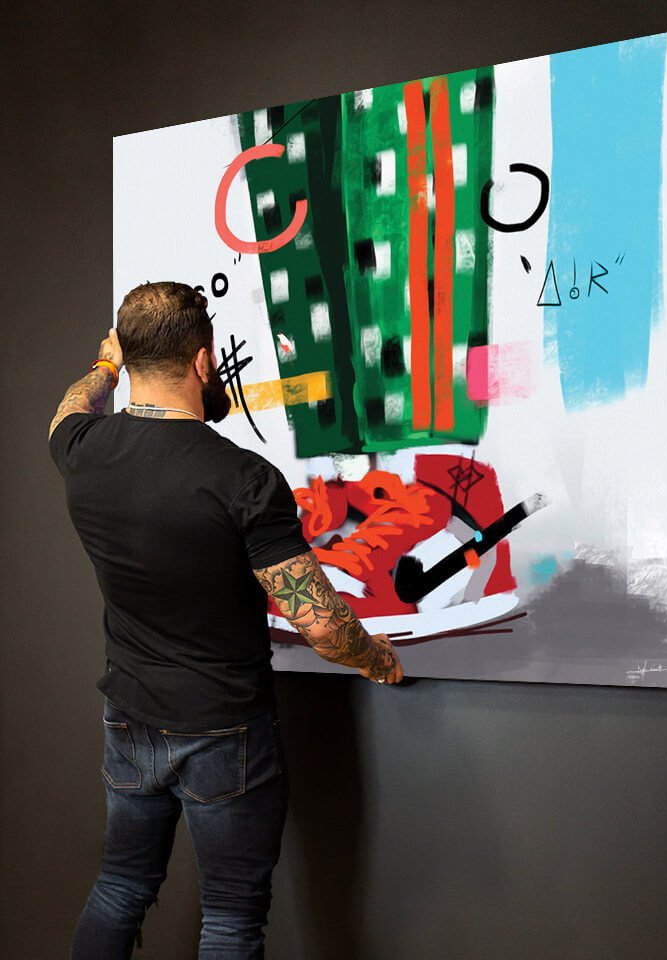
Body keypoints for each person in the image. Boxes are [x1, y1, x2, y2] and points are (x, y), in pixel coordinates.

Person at [48, 280, 403, 960]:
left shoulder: (82, 448)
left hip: (128, 719)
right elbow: (324, 627)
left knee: (120, 887)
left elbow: (69, 409)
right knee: (232, 920)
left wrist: (105, 366)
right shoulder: (243, 479)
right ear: (204, 361)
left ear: (127, 354)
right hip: (222, 730)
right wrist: (376, 658)